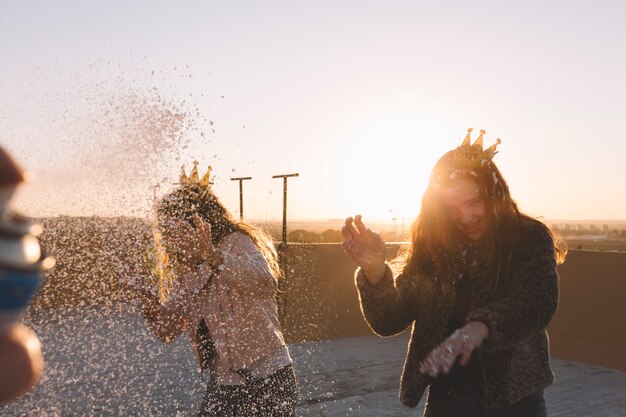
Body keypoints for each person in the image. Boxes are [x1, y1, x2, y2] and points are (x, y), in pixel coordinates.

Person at [342, 129, 566, 417]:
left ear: (494, 192)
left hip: (516, 400)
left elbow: (537, 302)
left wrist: (481, 327)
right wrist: (374, 272)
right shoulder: (433, 248)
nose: (465, 217)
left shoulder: (529, 237)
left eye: (474, 202)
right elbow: (389, 321)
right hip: (448, 400)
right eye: (451, 208)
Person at [125, 163, 297, 417]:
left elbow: (265, 284)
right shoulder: (185, 271)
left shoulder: (236, 243)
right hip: (224, 384)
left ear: (195, 224)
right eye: (163, 232)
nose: (165, 239)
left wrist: (213, 256)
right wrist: (145, 295)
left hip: (270, 377)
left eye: (171, 230)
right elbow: (167, 330)